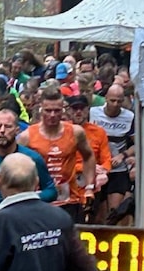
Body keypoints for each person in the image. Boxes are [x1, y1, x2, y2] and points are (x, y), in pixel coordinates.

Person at [18, 87, 96, 221]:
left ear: (63, 110)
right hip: (39, 202)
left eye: (57, 110)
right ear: (41, 109)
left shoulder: (75, 132)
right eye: (48, 110)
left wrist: (89, 186)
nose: (53, 115)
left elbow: (88, 156)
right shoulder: (27, 136)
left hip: (70, 201)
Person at [0, 109, 57, 214]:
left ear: (17, 130)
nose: (2, 131)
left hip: (26, 210)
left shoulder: (32, 159)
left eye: (8, 126)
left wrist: (32, 197)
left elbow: (51, 191)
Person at [90, 85, 135, 218]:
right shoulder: (93, 113)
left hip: (118, 170)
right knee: (97, 213)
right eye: (112, 101)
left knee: (114, 212)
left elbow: (137, 143)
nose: (115, 105)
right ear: (106, 99)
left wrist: (124, 155)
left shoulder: (129, 117)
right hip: (98, 169)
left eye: (119, 101)